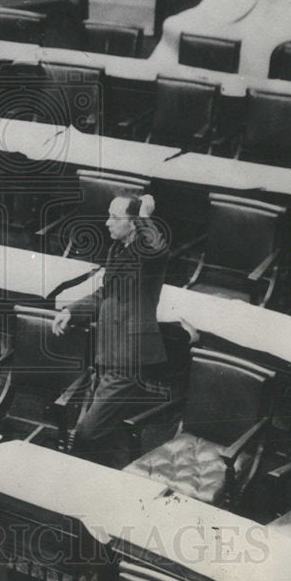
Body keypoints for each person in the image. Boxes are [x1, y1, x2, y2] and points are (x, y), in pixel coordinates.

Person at [52, 192, 194, 469]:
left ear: (133, 223)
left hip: (127, 356)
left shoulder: (149, 255)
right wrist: (72, 311)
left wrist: (145, 216)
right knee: (109, 434)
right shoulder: (118, 250)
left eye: (115, 218)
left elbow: (156, 248)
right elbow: (106, 293)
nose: (107, 223)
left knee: (87, 432)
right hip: (107, 351)